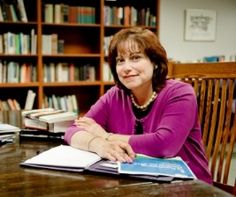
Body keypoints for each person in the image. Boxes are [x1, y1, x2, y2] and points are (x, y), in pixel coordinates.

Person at [64, 27, 212, 184]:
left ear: (155, 62)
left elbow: (164, 145)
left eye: (135, 58)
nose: (126, 67)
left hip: (188, 186)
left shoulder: (181, 93)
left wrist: (105, 136)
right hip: (137, 183)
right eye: (120, 60)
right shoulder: (114, 95)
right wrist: (98, 144)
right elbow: (74, 130)